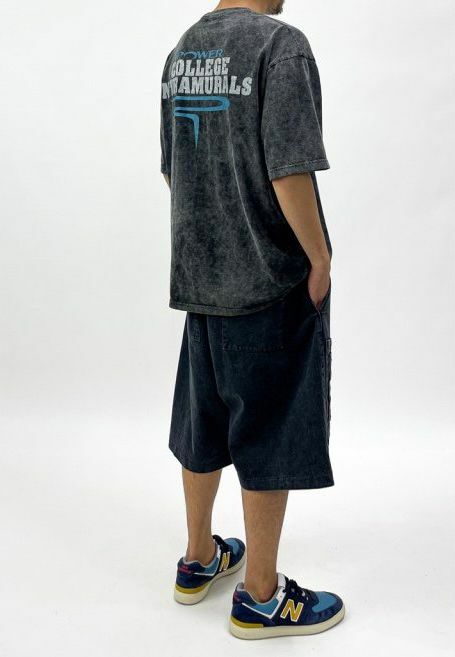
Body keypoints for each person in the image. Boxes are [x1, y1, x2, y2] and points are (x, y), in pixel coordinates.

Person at [160, 0, 345, 640]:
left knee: (203, 420)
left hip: (201, 278)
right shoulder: (280, 46)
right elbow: (289, 169)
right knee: (268, 430)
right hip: (267, 280)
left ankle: (198, 558)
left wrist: (212, 237)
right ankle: (262, 597)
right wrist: (318, 258)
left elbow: (174, 170)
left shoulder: (183, 49)